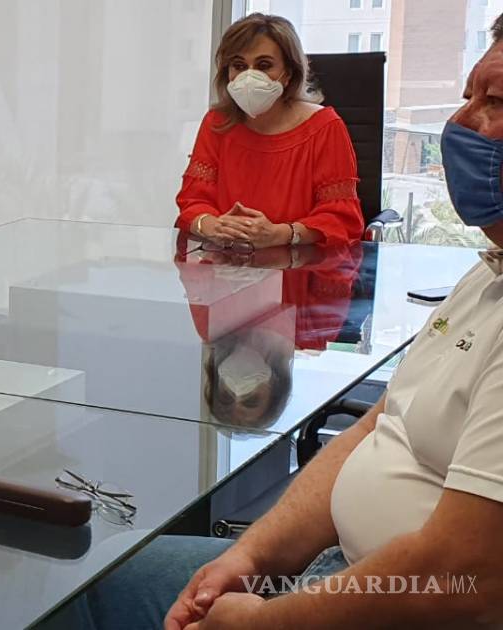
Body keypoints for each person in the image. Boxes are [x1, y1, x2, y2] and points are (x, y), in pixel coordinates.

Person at [56, 22, 503, 630]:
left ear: (289, 70)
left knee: (88, 580)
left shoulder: (323, 127)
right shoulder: (485, 273)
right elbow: (377, 424)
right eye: (467, 95)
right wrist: (249, 556)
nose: (459, 122)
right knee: (93, 568)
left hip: (381, 595)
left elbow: (462, 578)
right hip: (336, 561)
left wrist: (263, 619)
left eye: (493, 100)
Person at [175, 14, 364, 250]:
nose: (249, 76)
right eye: (239, 66)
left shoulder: (325, 127)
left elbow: (342, 219)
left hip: (298, 264)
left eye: (264, 65)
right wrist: (212, 225)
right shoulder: (217, 123)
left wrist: (281, 234)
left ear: (288, 73)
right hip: (226, 262)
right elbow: (193, 200)